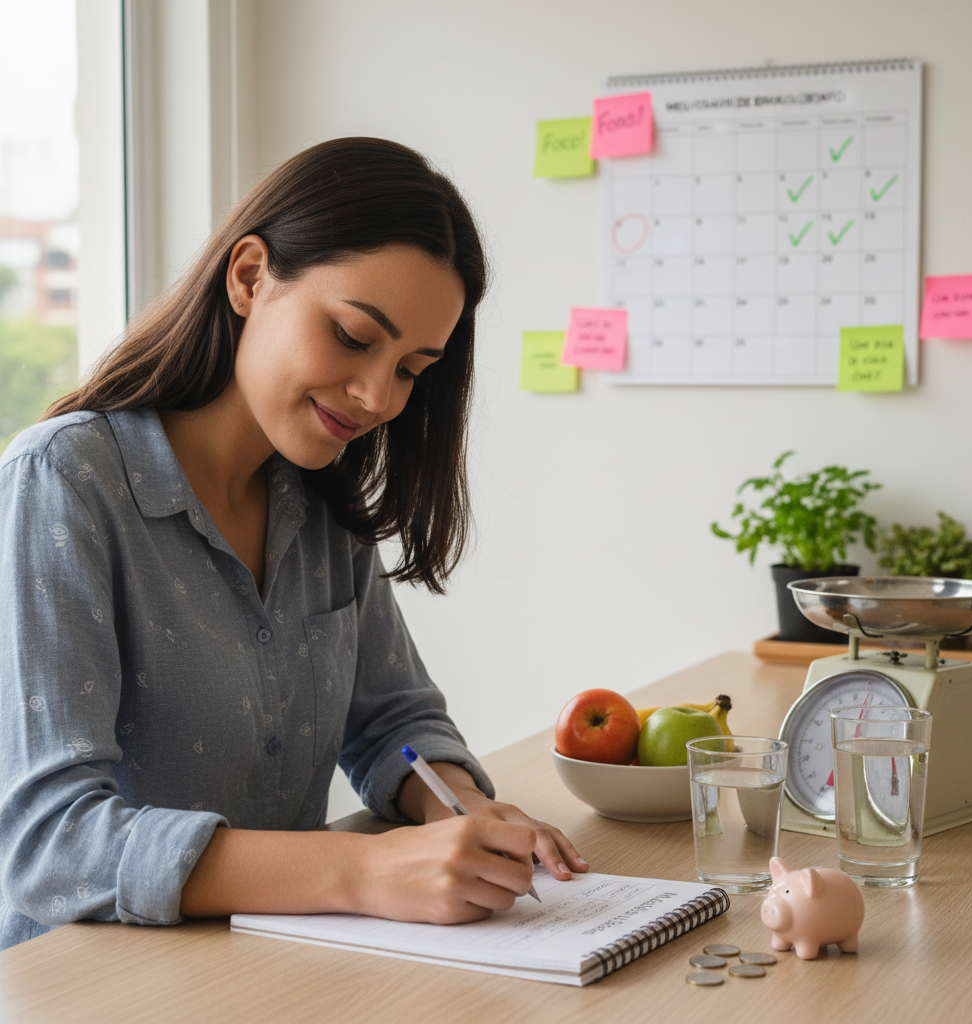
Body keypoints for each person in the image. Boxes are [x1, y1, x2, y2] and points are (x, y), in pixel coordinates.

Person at [0, 137, 587, 951]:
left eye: (412, 368)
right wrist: (362, 873)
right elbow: (51, 845)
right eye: (352, 336)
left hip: (275, 972)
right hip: (98, 987)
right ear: (249, 278)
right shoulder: (64, 481)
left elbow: (396, 729)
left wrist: (462, 810)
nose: (378, 396)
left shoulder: (319, 503)